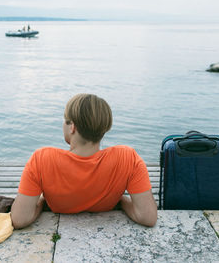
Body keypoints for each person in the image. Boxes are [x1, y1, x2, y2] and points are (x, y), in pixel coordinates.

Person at [11, 94, 157, 229]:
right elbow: (147, 217)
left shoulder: (42, 159)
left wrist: (42, 202)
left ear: (72, 127)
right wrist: (122, 201)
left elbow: (19, 219)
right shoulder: (127, 158)